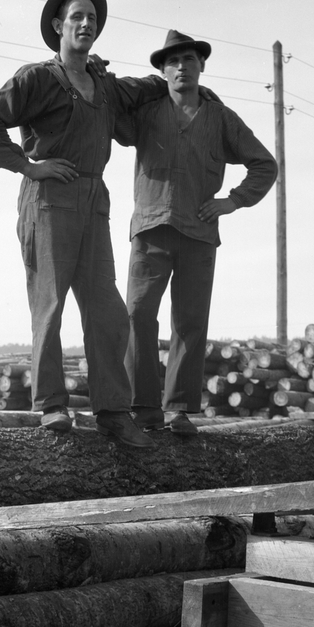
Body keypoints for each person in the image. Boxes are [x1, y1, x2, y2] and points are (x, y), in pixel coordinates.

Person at [0, 0, 167, 448]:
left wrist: (187, 87)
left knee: (107, 309)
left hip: (94, 203)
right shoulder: (37, 79)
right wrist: (28, 166)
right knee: (51, 306)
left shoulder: (103, 85)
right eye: (77, 17)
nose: (85, 24)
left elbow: (144, 89)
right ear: (59, 26)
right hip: (49, 199)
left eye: (92, 19)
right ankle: (53, 407)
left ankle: (113, 412)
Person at [116, 30, 278, 435]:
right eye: (172, 61)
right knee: (137, 315)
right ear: (162, 71)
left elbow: (264, 164)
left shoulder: (221, 118)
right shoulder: (147, 113)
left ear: (202, 65)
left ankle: (179, 410)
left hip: (199, 234)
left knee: (189, 322)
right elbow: (112, 116)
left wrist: (233, 200)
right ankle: (142, 407)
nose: (181, 66)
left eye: (189, 59)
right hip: (151, 230)